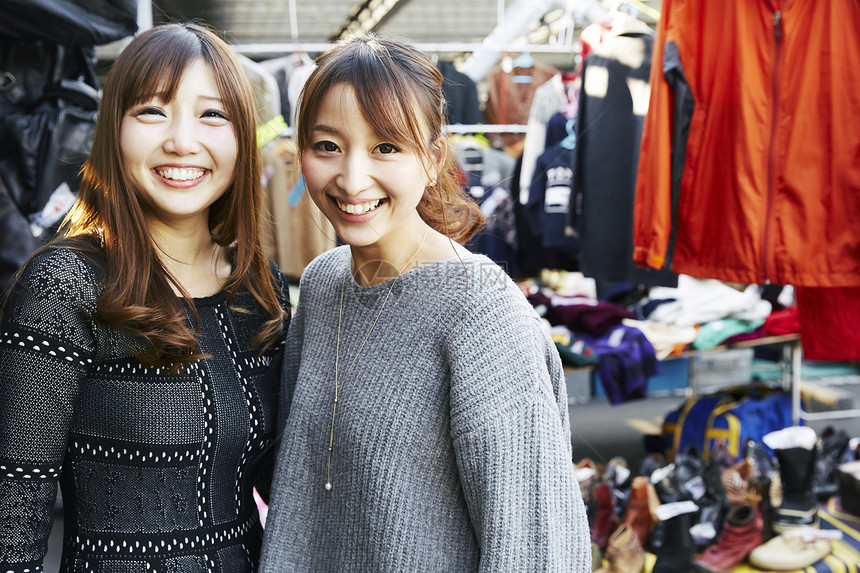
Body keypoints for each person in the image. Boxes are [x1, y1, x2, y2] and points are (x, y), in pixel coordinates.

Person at [260, 36, 591, 572]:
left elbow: (538, 549)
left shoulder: (481, 315)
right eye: (327, 145)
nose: (351, 177)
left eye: (386, 147)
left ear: (433, 159)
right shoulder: (323, 286)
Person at [0, 23, 289, 573]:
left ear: (241, 138)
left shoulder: (260, 288)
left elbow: (288, 484)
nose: (182, 140)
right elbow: (12, 516)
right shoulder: (64, 286)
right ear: (114, 129)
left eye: (212, 114)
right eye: (153, 111)